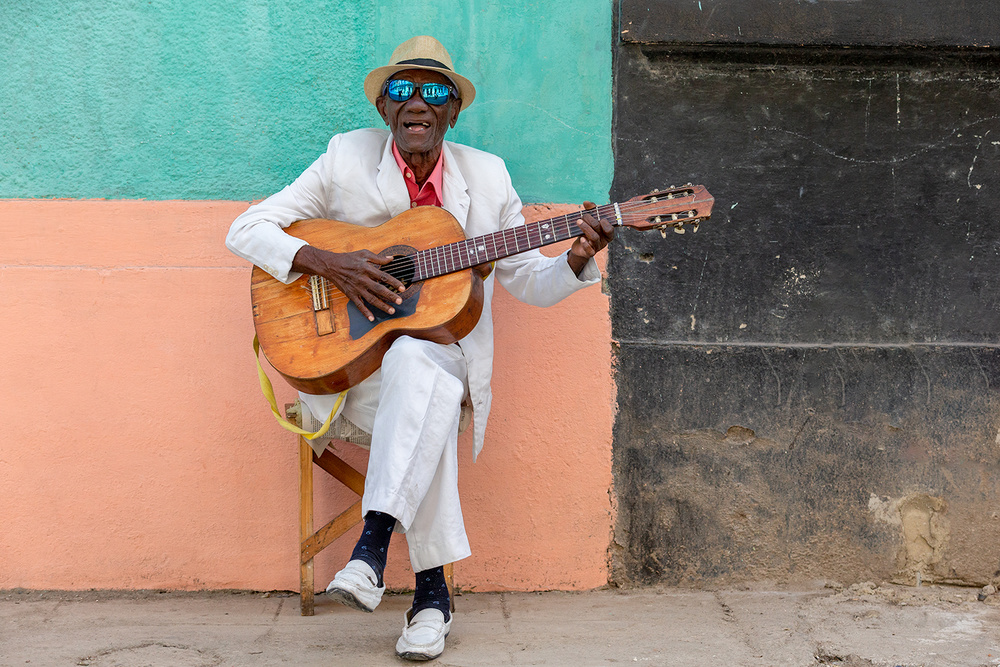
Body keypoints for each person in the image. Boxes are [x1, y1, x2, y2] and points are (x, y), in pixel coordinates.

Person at [226, 35, 614, 661]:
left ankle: (371, 550)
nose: (418, 104)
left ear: (453, 112)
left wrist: (575, 257)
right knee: (418, 390)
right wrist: (338, 266)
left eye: (435, 93)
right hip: (354, 374)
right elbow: (245, 229)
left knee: (420, 364)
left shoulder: (487, 177)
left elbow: (530, 283)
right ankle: (431, 598)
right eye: (402, 90)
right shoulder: (344, 157)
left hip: (440, 364)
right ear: (384, 107)